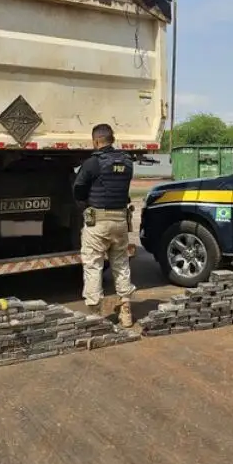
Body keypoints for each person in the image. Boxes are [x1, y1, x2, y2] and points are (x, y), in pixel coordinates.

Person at [73, 123, 136, 327]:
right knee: (121, 264)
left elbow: (78, 189)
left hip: (98, 221)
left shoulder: (93, 163)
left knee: (93, 265)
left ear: (96, 141)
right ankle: (126, 310)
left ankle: (96, 314)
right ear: (112, 138)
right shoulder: (127, 162)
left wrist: (85, 203)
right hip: (120, 220)